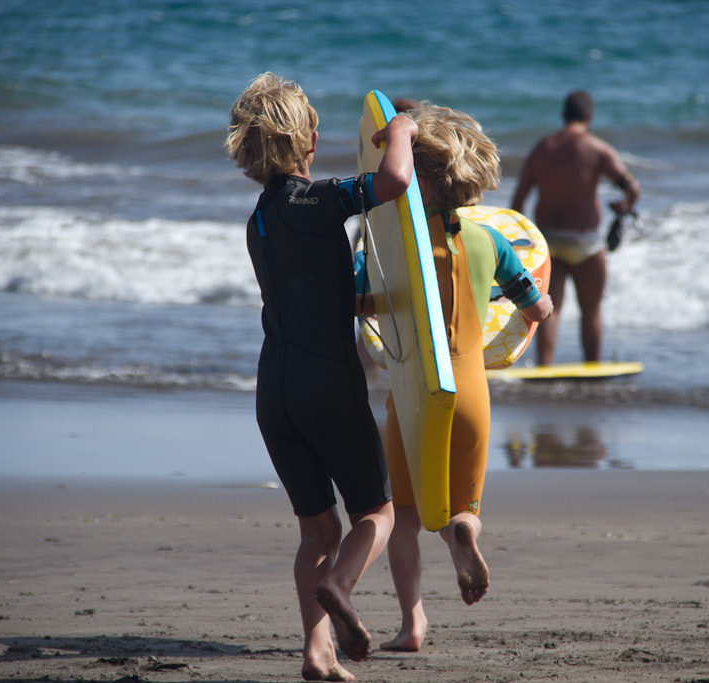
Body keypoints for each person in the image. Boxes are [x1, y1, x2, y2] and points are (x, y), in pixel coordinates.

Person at [225, 72, 418, 682]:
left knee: (317, 529)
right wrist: (402, 130)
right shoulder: (316, 200)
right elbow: (394, 181)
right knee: (377, 514)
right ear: (305, 139)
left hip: (274, 391)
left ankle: (317, 650)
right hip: (327, 383)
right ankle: (340, 585)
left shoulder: (259, 219)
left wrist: (366, 302)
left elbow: (305, 291)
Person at [372, 102, 554, 653]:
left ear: (419, 182)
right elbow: (535, 307)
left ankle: (412, 624)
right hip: (470, 396)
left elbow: (362, 307)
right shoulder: (490, 242)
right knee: (464, 507)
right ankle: (463, 533)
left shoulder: (394, 250)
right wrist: (539, 303)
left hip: (413, 400)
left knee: (405, 518)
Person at [511, 90, 639, 365]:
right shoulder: (597, 149)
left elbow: (518, 201)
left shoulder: (542, 148)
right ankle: (592, 369)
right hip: (585, 242)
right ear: (589, 117)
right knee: (591, 311)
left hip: (549, 240)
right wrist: (622, 210)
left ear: (563, 115)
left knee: (550, 309)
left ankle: (544, 370)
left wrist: (520, 244)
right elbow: (632, 188)